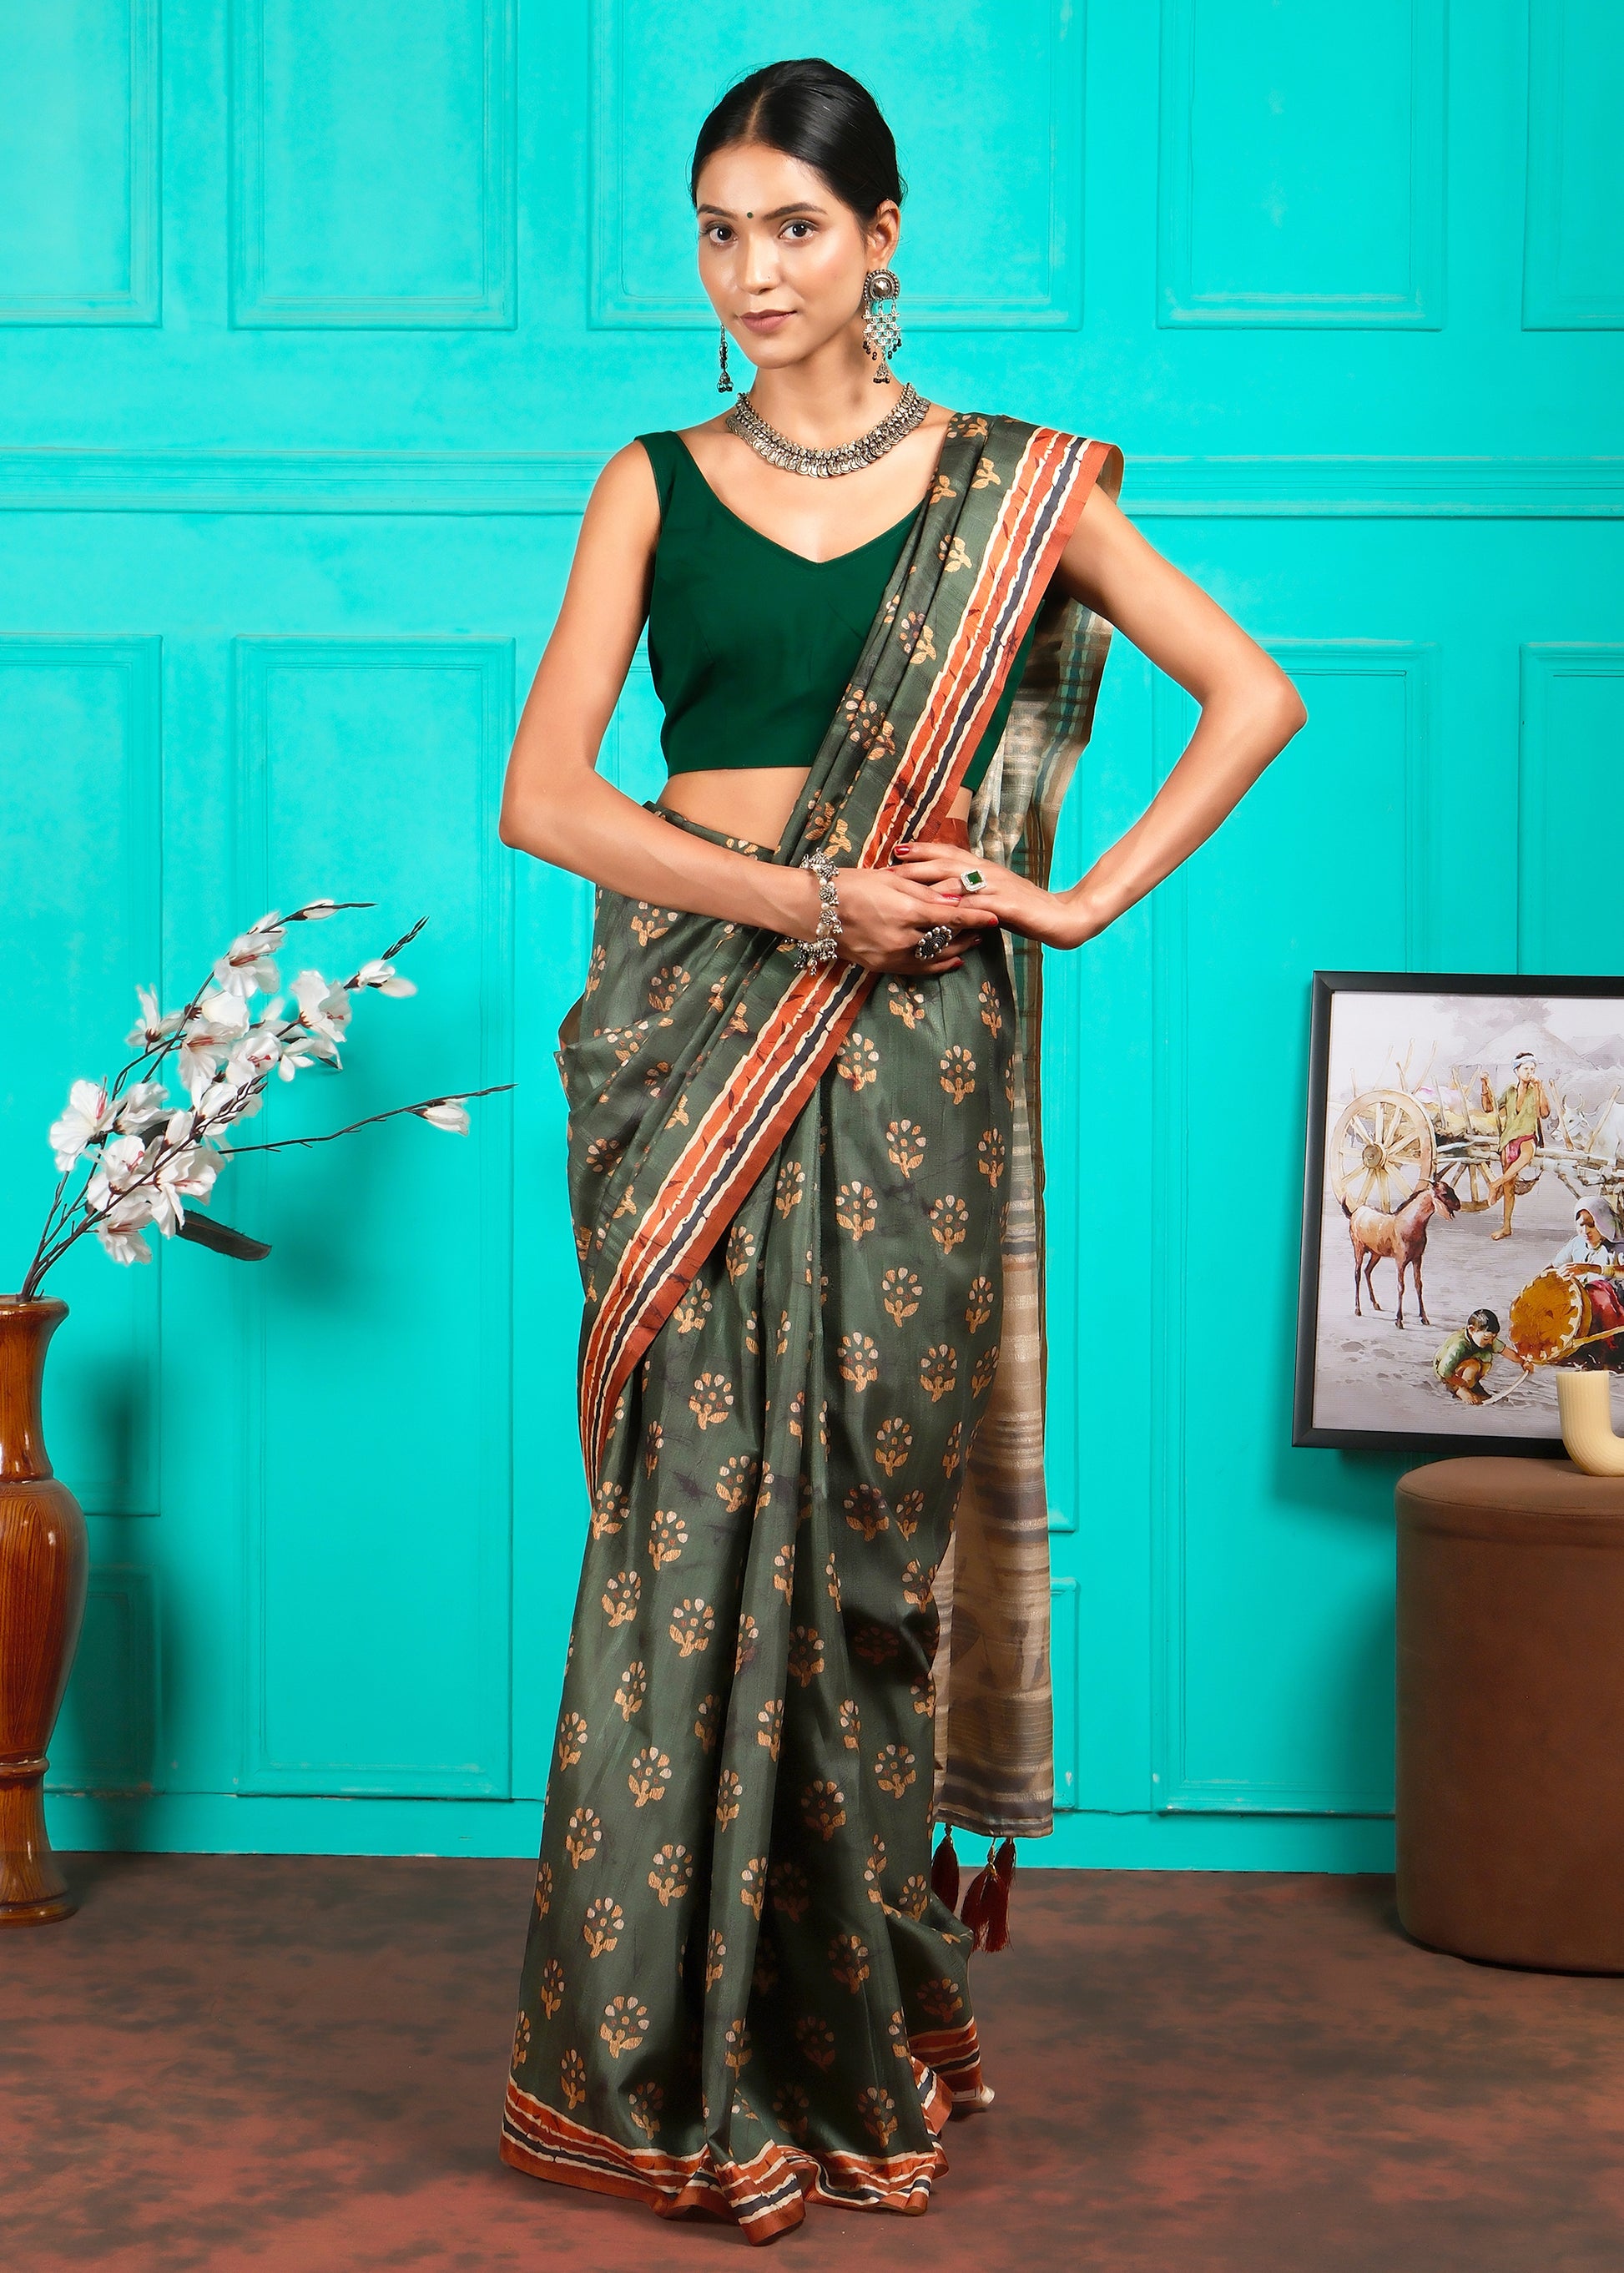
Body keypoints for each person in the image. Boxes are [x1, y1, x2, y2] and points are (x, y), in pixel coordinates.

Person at [494, 58, 1306, 2241]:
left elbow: (1248, 690)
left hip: (916, 1067)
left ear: (882, 239)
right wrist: (800, 903)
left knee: (864, 1549)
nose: (749, 274)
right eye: (717, 230)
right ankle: (651, 2058)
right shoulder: (650, 481)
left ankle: (848, 2043)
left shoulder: (1011, 485)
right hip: (697, 1036)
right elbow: (551, 799)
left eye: (791, 228)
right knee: (681, 1536)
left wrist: (1077, 892)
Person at [1481, 1052, 1551, 1239]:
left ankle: (1495, 1183)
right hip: (1509, 1139)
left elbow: (1544, 1113)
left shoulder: (1535, 1090)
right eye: (1526, 1069)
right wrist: (1484, 1086)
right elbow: (1489, 1107)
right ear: (1517, 1070)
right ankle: (1506, 1227)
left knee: (1526, 1155)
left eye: (1532, 1069)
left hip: (1528, 1137)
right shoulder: (1510, 1091)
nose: (1529, 1072)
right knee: (1509, 1187)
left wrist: (1541, 1088)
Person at [1433, 1308, 1513, 1404]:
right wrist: (1461, 1383)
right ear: (1471, 1330)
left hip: (1465, 1371)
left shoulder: (1485, 1339)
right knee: (1473, 1365)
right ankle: (1459, 1390)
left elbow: (1504, 1350)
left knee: (1482, 1361)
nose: (1491, 1342)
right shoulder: (1459, 1345)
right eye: (1487, 1338)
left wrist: (1522, 1362)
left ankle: (1471, 1386)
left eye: (1493, 1338)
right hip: (1448, 1373)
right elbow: (1444, 1371)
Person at [1552, 1197, 1623, 1273]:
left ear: (1604, 1223)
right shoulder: (1577, 1243)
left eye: (1591, 1225)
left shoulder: (1619, 1249)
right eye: (1581, 1225)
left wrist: (1590, 1268)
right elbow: (1556, 1266)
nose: (1586, 1231)